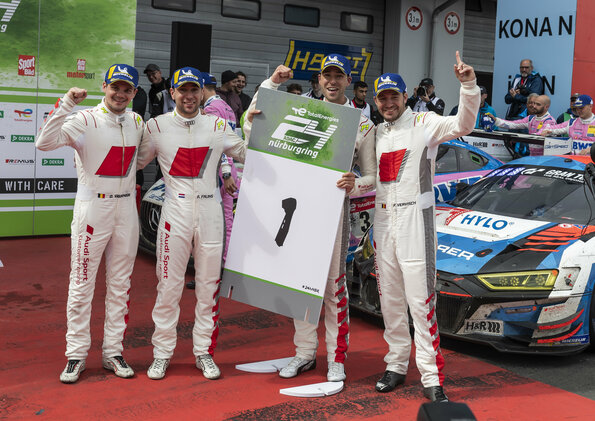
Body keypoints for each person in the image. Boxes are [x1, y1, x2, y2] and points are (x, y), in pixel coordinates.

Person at [244, 55, 376, 382]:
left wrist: (354, 184)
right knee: (298, 286)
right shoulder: (301, 108)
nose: (332, 81)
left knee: (333, 288)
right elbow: (251, 124)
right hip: (296, 209)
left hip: (332, 214)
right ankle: (304, 354)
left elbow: (373, 176)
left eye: (339, 76)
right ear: (319, 79)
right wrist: (272, 83)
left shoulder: (362, 123)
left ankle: (336, 358)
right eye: (327, 76)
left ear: (348, 80)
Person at [371, 51, 480, 402]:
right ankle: (396, 365)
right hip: (383, 221)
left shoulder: (425, 122)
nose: (389, 102)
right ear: (377, 101)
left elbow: (464, 125)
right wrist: (351, 184)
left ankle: (432, 378)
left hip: (416, 222)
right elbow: (368, 179)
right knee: (390, 301)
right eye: (383, 97)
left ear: (406, 96)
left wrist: (468, 85)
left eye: (394, 96)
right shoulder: (373, 134)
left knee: (421, 302)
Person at [138, 67, 254, 380]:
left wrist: (251, 127)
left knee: (207, 286)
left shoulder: (217, 124)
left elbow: (244, 152)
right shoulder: (156, 126)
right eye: (183, 90)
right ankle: (162, 354)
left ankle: (203, 352)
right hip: (174, 212)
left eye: (194, 90)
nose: (189, 96)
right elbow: (133, 162)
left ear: (201, 91)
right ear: (172, 92)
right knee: (168, 286)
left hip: (210, 212)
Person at [36, 64, 144, 383]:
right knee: (82, 283)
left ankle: (113, 352)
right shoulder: (85, 118)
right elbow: (44, 143)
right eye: (116, 87)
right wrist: (67, 103)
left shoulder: (137, 121)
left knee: (121, 285)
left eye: (127, 89)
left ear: (135, 93)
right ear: (105, 87)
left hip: (126, 210)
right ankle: (76, 354)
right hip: (92, 210)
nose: (120, 94)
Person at [489, 94, 555, 155]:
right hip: (531, 158)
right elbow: (513, 124)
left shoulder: (550, 121)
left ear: (546, 107)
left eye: (538, 104)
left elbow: (538, 137)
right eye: (534, 103)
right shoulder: (531, 118)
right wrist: (496, 120)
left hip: (544, 159)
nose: (534, 106)